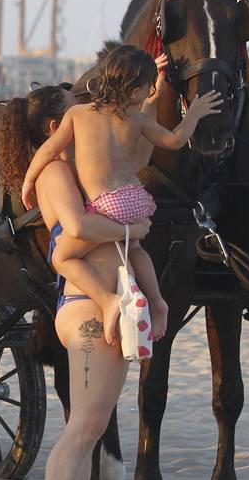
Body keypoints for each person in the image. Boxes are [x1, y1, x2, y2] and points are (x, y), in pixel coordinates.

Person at [0, 86, 150, 480]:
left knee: (89, 429)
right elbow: (78, 231)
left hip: (99, 303)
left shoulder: (80, 169)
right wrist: (132, 230)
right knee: (82, 431)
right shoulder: (56, 172)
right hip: (85, 306)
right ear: (52, 128)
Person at [21, 45, 221, 344]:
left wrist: (28, 181)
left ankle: (106, 300)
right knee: (136, 249)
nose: (150, 91)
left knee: (62, 257)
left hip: (106, 203)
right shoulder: (137, 119)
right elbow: (176, 139)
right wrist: (193, 113)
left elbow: (49, 149)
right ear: (135, 91)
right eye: (148, 87)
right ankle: (157, 302)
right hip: (136, 199)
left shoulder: (77, 113)